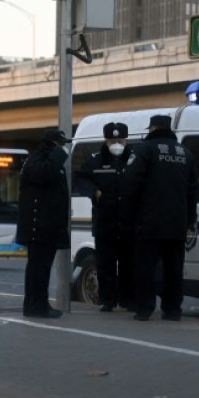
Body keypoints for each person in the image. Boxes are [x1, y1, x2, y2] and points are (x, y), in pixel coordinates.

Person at [123, 114, 198, 322]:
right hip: (177, 223)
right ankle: (173, 309)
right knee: (174, 268)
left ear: (153, 128)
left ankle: (144, 308)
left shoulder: (145, 150)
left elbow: (131, 183)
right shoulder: (185, 153)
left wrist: (129, 216)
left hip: (150, 221)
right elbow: (193, 191)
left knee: (145, 266)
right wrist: (190, 220)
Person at [77, 122, 135, 312]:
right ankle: (108, 300)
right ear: (106, 141)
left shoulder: (134, 159)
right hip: (104, 222)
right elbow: (80, 178)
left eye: (120, 141)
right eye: (112, 141)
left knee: (128, 264)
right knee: (105, 264)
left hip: (127, 222)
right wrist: (94, 192)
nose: (117, 144)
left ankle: (127, 299)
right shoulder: (96, 161)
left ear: (126, 141)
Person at [16, 127, 72, 318]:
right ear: (53, 144)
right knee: (38, 268)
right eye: (60, 144)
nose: (63, 148)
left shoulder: (47, 160)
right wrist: (58, 155)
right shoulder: (38, 161)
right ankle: (35, 305)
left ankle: (38, 304)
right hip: (39, 226)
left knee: (42, 267)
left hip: (48, 225)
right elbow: (44, 175)